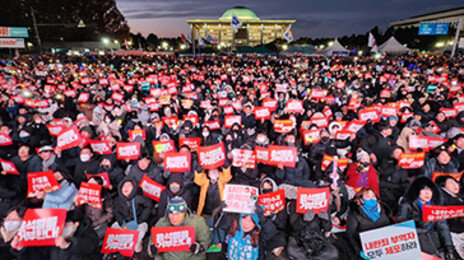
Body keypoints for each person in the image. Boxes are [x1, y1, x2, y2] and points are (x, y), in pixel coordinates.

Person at [397, 177, 458, 259]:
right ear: (417, 191)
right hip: (419, 245)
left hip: (437, 243)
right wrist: (420, 224)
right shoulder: (407, 205)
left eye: (430, 190)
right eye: (424, 189)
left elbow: (443, 227)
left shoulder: (434, 206)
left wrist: (449, 247)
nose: (427, 193)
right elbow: (402, 227)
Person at [345, 188, 392, 259]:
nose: (371, 199)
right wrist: (359, 251)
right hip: (366, 248)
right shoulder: (355, 213)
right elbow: (350, 235)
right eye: (367, 196)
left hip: (386, 247)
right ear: (361, 200)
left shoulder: (384, 208)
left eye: (373, 196)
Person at [112, 179, 152, 253]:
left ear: (134, 188)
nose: (126, 188)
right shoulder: (117, 200)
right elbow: (116, 211)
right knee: (113, 227)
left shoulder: (139, 198)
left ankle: (138, 243)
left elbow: (148, 206)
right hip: (124, 224)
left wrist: (141, 219)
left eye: (129, 186)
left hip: (138, 222)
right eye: (124, 186)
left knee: (142, 229)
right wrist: (121, 221)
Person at [435, 176, 464, 259]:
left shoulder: (459, 197)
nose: (455, 185)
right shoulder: (441, 198)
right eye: (451, 183)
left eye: (456, 183)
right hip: (454, 233)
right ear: (443, 186)